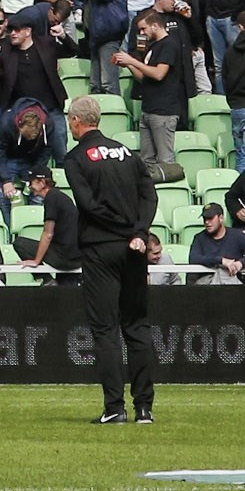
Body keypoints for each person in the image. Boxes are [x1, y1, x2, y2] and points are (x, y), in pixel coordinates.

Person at [57, 91, 159, 421]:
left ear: (76, 121)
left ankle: (114, 408)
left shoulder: (75, 159)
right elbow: (150, 195)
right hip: (135, 249)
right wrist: (139, 232)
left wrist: (123, 229)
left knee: (105, 329)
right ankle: (144, 407)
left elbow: (88, 206)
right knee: (137, 327)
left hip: (101, 248)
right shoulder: (128, 154)